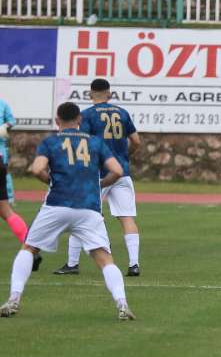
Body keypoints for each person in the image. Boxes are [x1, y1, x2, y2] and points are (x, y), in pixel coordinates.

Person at [1, 102, 136, 321]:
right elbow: (118, 170)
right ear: (80, 120)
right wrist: (101, 183)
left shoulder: (51, 142)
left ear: (57, 121)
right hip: (89, 208)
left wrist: (50, 179)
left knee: (29, 248)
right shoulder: (95, 142)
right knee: (104, 259)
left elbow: (36, 169)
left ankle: (14, 298)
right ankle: (122, 304)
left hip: (57, 204)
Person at [54, 79, 142, 278]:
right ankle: (134, 264)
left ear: (90, 94)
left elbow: (80, 143)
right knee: (127, 218)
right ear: (109, 94)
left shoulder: (87, 115)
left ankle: (72, 263)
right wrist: (124, 157)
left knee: (79, 214)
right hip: (121, 171)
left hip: (96, 173)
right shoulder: (122, 113)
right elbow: (136, 141)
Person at [0, 97, 34, 254]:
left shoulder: (3, 104)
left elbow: (11, 120)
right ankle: (30, 249)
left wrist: (6, 126)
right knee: (7, 212)